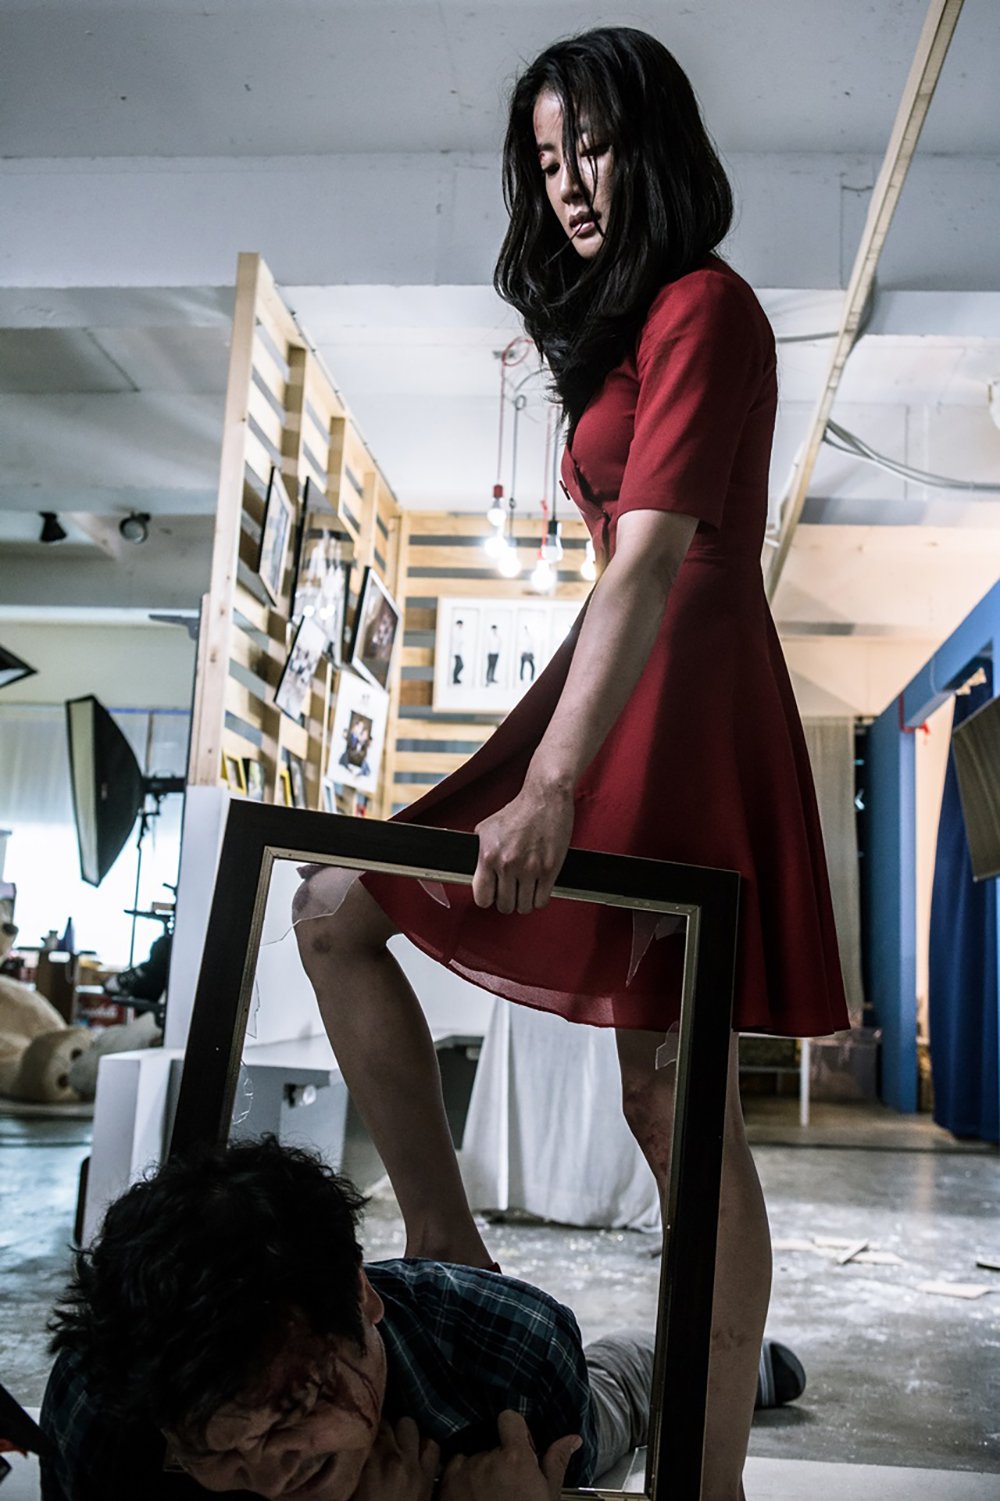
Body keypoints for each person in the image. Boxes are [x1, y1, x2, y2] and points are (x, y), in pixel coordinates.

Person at [292, 27, 846, 1501]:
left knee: (672, 1100)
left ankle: (708, 1476)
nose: (570, 183)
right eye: (547, 160)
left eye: (590, 147)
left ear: (651, 144)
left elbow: (652, 559)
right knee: (334, 907)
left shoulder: (707, 304)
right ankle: (452, 1257)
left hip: (684, 682)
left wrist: (551, 783)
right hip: (622, 669)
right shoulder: (633, 321)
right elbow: (621, 569)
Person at [39, 1138, 647, 1500]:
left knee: (624, 1383)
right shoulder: (106, 1392)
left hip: (558, 1383)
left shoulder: (512, 1349)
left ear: (361, 1296)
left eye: (294, 1413)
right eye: (215, 1451)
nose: (270, 1479)